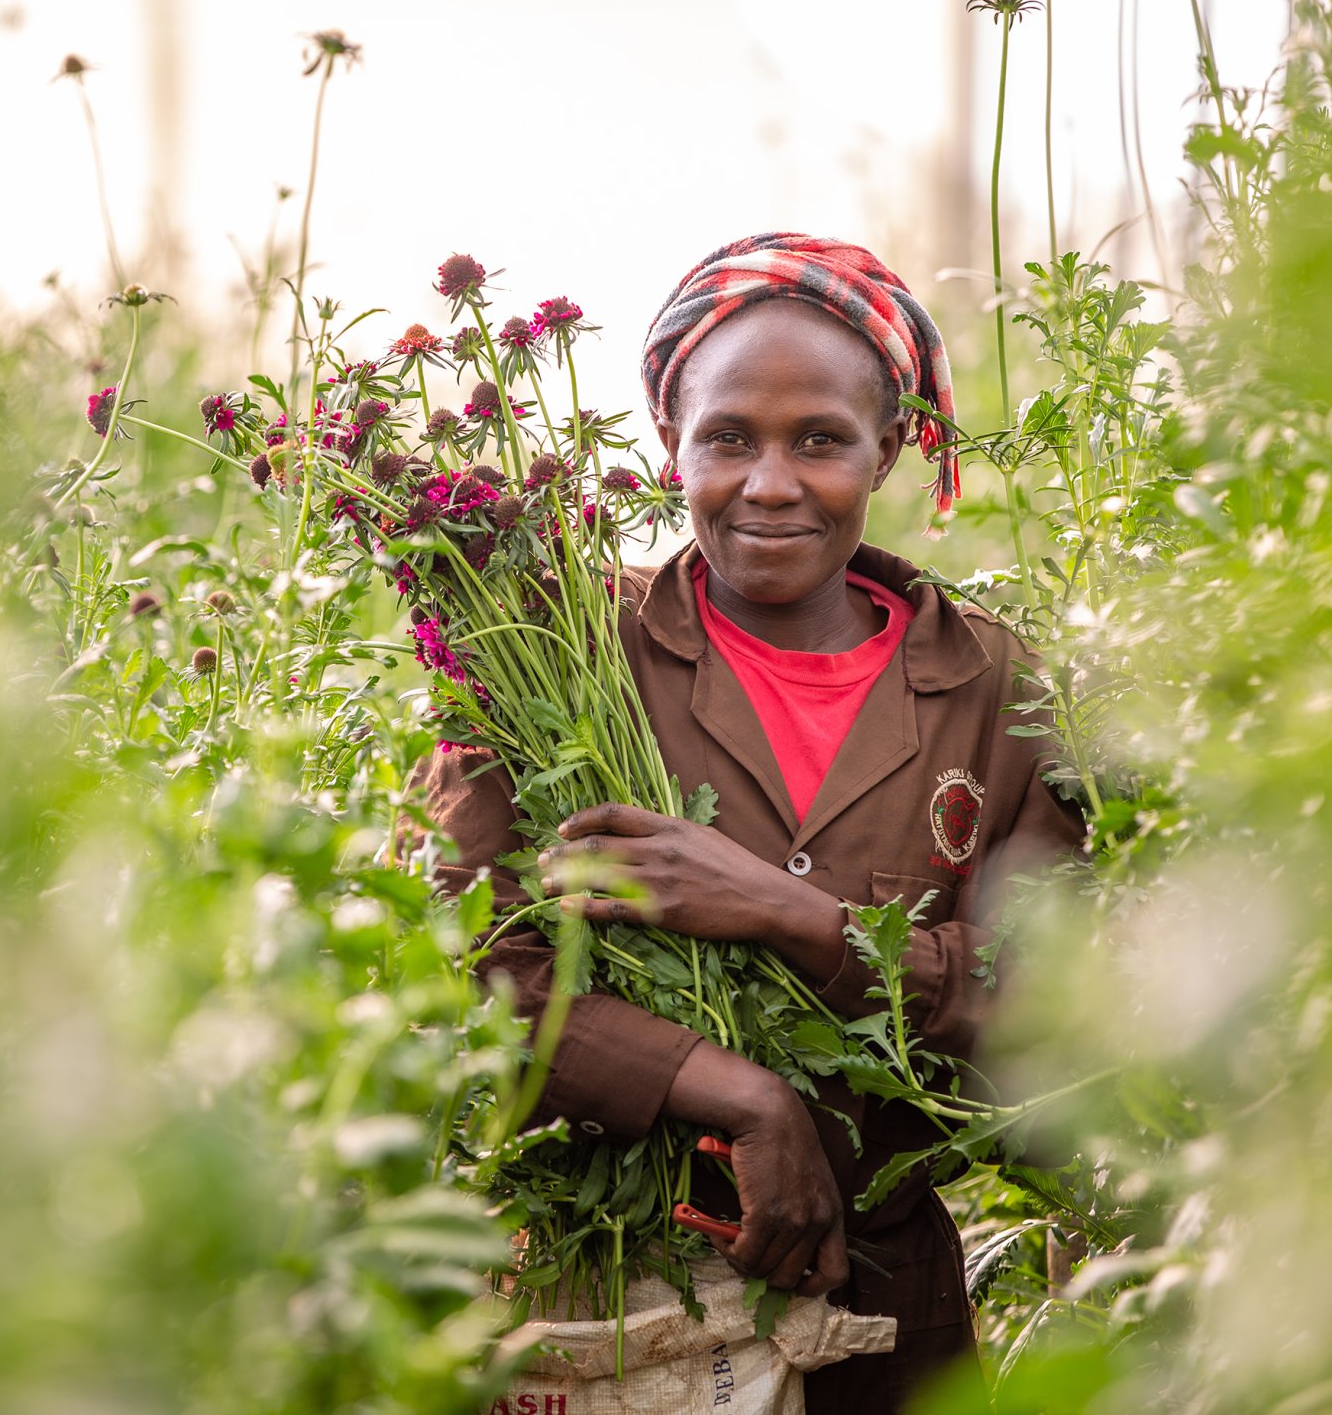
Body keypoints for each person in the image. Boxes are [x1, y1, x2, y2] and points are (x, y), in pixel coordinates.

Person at [417, 232, 1086, 1410]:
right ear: (669, 442)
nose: (769, 484)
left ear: (887, 448)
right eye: (728, 438)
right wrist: (736, 1091)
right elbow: (479, 963)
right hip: (611, 1298)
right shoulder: (552, 651)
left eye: (819, 440)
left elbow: (1044, 1000)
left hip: (885, 1310)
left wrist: (796, 917)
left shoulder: (997, 687)